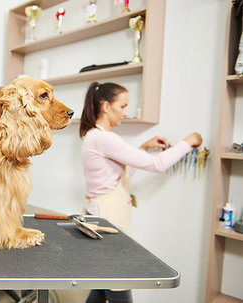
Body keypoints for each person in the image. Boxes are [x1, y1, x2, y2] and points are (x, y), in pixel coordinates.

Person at [79, 81, 202, 303]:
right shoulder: (104, 138)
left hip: (100, 218)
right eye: (123, 106)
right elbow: (157, 165)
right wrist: (187, 142)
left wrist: (143, 148)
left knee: (101, 287)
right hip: (106, 222)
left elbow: (116, 177)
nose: (126, 113)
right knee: (119, 289)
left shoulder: (94, 136)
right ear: (106, 106)